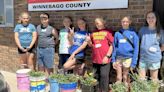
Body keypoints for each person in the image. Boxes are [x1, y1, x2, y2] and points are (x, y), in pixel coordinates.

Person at [87, 17, 114, 92]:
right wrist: (89, 42)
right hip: (95, 59)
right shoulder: (93, 33)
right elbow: (92, 45)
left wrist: (107, 56)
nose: (97, 24)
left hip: (105, 59)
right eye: (95, 23)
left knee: (104, 76)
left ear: (103, 23)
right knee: (96, 77)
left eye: (98, 23)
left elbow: (112, 45)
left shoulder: (108, 32)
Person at [112, 16, 139, 86]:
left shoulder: (133, 33)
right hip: (118, 58)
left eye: (126, 21)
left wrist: (133, 63)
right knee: (118, 78)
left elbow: (136, 48)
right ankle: (119, 90)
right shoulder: (117, 33)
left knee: (125, 77)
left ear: (130, 22)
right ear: (121, 23)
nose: (125, 23)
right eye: (123, 21)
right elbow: (114, 47)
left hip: (128, 58)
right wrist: (113, 60)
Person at [138, 11, 164, 81]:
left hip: (154, 59)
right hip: (143, 59)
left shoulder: (160, 31)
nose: (150, 19)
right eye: (148, 17)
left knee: (154, 80)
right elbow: (138, 42)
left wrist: (157, 51)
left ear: (156, 19)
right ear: (146, 19)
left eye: (152, 17)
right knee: (141, 79)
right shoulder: (142, 30)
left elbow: (163, 46)